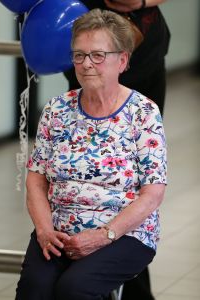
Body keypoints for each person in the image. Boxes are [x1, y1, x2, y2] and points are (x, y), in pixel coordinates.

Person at [15, 8, 167, 300]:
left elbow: (153, 193)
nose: (86, 64)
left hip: (123, 233)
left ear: (122, 61)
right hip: (58, 229)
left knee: (75, 289)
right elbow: (36, 180)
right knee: (35, 289)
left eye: (98, 55)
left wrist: (102, 235)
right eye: (79, 55)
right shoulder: (57, 109)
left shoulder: (143, 112)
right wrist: (45, 231)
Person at [64, 1, 170, 299]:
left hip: (143, 48)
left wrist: (141, 2)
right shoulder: (61, 106)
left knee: (132, 180)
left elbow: (151, 187)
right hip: (88, 32)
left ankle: (127, 285)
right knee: (80, 172)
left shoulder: (143, 109)